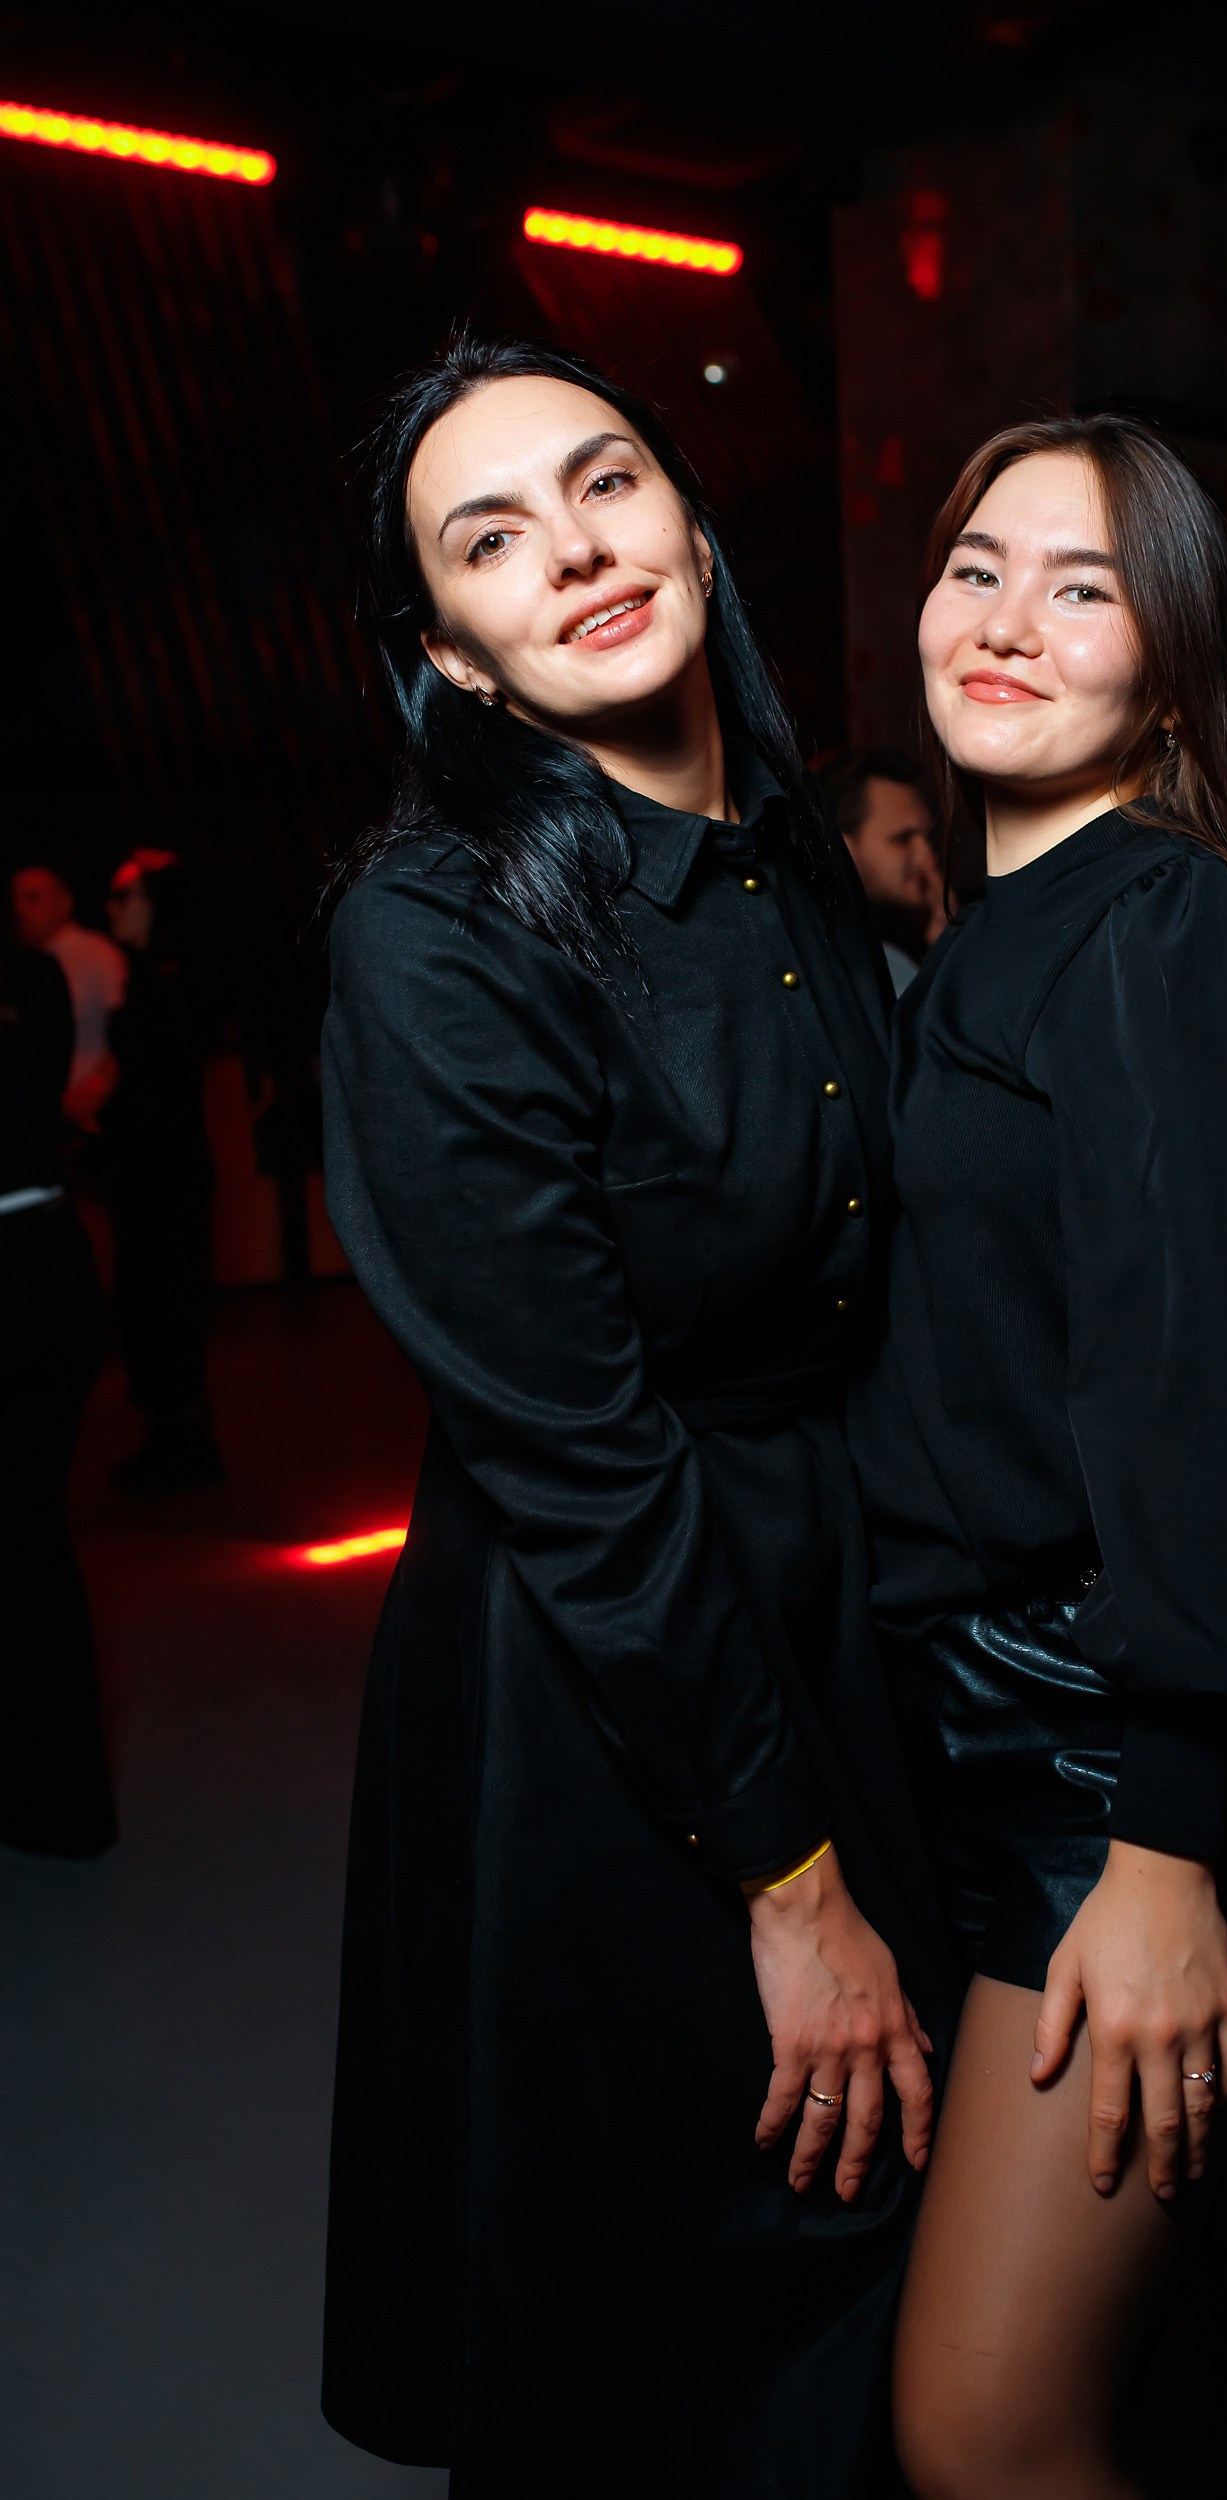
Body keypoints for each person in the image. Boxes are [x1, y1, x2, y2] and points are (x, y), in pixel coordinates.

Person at [319, 333, 944, 2497]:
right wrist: (789, 1881)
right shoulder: (432, 928)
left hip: (835, 1609)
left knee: (880, 2296)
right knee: (701, 2321)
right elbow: (580, 1464)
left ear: (684, 513)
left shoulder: (789, 852)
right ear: (450, 655)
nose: (575, 550)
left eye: (604, 482)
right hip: (613, 1691)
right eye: (490, 539)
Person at [847, 416, 1227, 2499]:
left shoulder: (1173, 932)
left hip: (1101, 1760)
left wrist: (1165, 1846)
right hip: (973, 1724)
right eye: (977, 566)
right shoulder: (1003, 922)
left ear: (1170, 673)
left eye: (1083, 589)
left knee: (986, 2427)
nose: (1004, 620)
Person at [0, 894, 115, 1856]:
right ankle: (61, 1804)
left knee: (26, 1538)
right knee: (33, 1538)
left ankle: (51, 1803)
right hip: (49, 1261)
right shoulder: (33, 975)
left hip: (24, 1269)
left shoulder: (35, 976)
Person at [102, 851, 224, 1495]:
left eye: (126, 897)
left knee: (167, 1303)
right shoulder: (153, 977)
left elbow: (157, 1089)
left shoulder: (169, 983)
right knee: (155, 1304)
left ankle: (182, 1442)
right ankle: (171, 1438)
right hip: (155, 1172)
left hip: (164, 1176)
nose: (113, 909)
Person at [814, 746, 947, 992]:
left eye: (928, 838)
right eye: (903, 839)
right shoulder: (850, 956)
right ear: (843, 849)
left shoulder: (914, 937)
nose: (928, 857)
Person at [9, 860, 126, 1130]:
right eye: (15, 900)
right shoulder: (22, 964)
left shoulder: (96, 954)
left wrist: (98, 1087)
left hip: (88, 1110)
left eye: (33, 898)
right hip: (36, 1114)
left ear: (65, 903)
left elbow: (127, 1032)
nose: (20, 909)